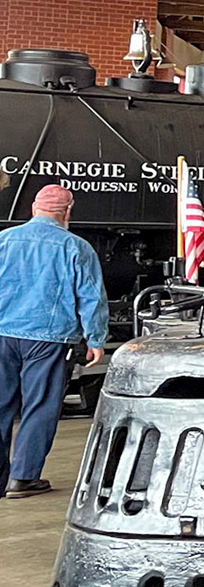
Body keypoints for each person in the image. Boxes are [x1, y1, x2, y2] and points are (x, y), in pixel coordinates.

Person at [0, 184, 106, 498]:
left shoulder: (3, 241)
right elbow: (91, 298)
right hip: (48, 339)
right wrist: (96, 339)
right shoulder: (76, 248)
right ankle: (23, 478)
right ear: (67, 212)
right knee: (40, 407)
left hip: (2, 334)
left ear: (34, 209)